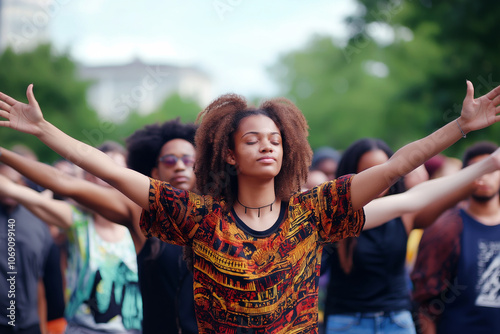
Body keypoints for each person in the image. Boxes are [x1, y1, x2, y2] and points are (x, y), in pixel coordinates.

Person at [0, 81, 499, 333]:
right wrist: (44, 131)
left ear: (289, 150)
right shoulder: (196, 215)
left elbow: (397, 169)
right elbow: (110, 171)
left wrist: (460, 128)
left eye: (275, 140)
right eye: (253, 140)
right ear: (228, 152)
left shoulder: (313, 211)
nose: (267, 146)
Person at [0, 119, 200, 334]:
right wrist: (38, 130)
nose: (180, 166)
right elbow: (66, 183)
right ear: (155, 172)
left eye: (188, 160)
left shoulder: (218, 217)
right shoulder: (138, 213)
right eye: (170, 160)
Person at [1, 143, 143, 333]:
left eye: (116, 171)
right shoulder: (76, 219)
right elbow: (15, 191)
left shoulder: (140, 224)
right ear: (87, 179)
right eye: (98, 173)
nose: (107, 180)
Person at [411, 141, 500, 334]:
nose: (485, 177)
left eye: (493, 170)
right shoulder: (445, 227)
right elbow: (424, 302)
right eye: (478, 171)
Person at [0, 163, 53, 334]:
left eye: (16, 182)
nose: (10, 189)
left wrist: (43, 327)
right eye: (6, 182)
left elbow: (40, 277)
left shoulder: (37, 219)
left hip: (30, 323)